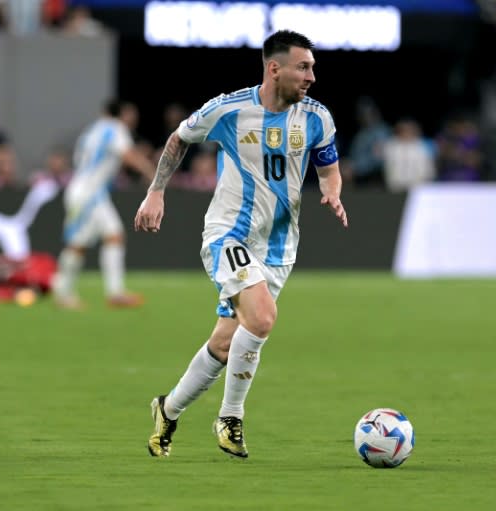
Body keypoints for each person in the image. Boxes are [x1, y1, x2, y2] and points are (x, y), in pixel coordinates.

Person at [135, 29, 348, 459]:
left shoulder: (317, 118)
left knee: (225, 343)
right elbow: (179, 138)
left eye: (313, 68)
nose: (311, 76)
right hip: (228, 234)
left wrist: (332, 190)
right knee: (264, 317)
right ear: (275, 68)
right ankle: (230, 416)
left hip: (279, 248)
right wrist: (156, 191)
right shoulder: (229, 109)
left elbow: (328, 166)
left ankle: (168, 409)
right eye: (303, 67)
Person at [52, 99, 155, 309]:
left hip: (88, 191)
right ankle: (64, 292)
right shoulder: (116, 128)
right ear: (122, 113)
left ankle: (113, 293)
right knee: (83, 242)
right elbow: (127, 155)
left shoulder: (91, 131)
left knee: (109, 237)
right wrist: (153, 173)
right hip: (89, 193)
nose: (133, 118)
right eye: (130, 113)